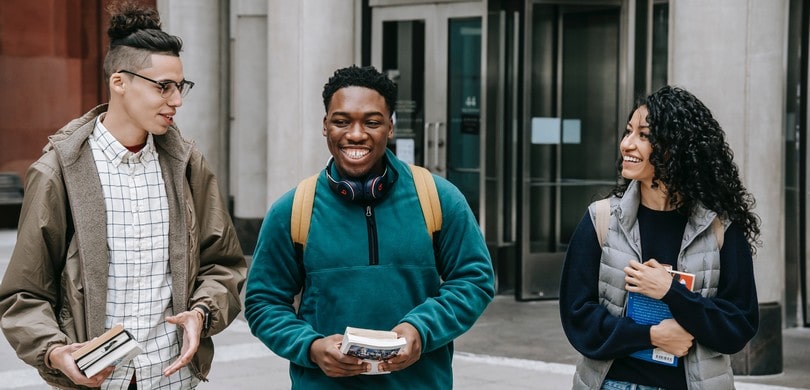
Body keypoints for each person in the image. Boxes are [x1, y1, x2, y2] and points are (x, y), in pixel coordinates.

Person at [0, 2, 246, 389]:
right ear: (120, 82)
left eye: (181, 87)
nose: (177, 101)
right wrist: (56, 352)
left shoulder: (188, 165)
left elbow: (225, 265)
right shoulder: (58, 172)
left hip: (173, 378)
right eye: (163, 87)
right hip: (96, 382)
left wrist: (201, 313)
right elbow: (24, 294)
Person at [244, 65, 495, 389]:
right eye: (342, 121)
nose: (356, 134)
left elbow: (475, 280)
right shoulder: (292, 210)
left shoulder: (439, 198)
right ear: (325, 126)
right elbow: (263, 302)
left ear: (390, 127)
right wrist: (311, 347)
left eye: (372, 122)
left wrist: (420, 330)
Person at [559, 85, 761, 390]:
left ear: (675, 147)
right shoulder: (601, 220)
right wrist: (651, 335)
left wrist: (671, 291)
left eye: (644, 135)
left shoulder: (719, 228)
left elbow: (738, 326)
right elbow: (578, 319)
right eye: (628, 132)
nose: (627, 144)